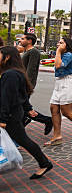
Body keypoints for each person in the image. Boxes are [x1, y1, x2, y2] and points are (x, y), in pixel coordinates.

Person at [0, 46, 53, 180]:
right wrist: (28, 108)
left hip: (11, 116)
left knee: (24, 141)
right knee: (24, 140)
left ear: (7, 57)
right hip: (14, 114)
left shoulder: (10, 75)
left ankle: (45, 163)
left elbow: (6, 99)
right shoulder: (15, 72)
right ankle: (44, 163)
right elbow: (22, 94)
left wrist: (3, 120)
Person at [19, 33, 53, 135]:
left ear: (29, 41)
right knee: (22, 107)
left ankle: (46, 120)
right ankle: (26, 121)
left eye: (23, 39)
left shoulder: (34, 52)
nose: (20, 40)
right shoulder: (26, 52)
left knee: (22, 107)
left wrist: (27, 86)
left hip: (25, 85)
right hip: (21, 84)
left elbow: (31, 71)